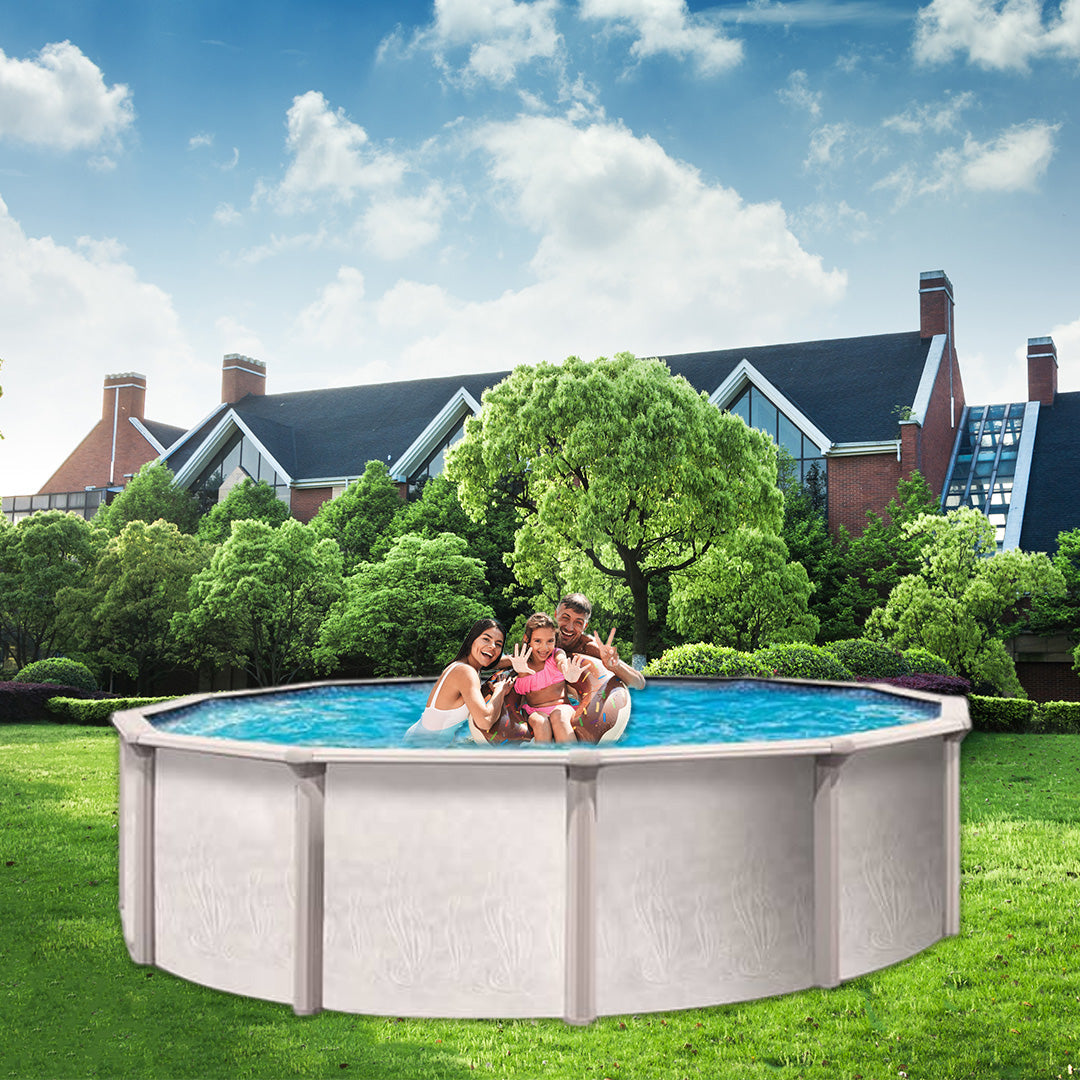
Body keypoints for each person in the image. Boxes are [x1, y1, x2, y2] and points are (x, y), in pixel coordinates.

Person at [553, 593, 645, 743]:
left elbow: (639, 682)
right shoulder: (544, 642)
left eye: (578, 622)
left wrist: (614, 665)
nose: (570, 627)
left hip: (582, 710)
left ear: (585, 626)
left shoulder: (588, 647)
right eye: (565, 617)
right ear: (556, 615)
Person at [403, 618, 512, 745]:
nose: (492, 646)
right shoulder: (466, 672)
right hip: (423, 746)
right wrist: (500, 691)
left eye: (498, 644)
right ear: (472, 641)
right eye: (486, 639)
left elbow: (495, 662)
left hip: (419, 736)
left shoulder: (467, 664)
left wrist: (521, 660)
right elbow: (485, 721)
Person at [509, 612, 585, 743]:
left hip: (562, 707)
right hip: (535, 711)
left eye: (550, 641)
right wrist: (520, 672)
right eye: (538, 641)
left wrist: (568, 673)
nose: (544, 648)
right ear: (527, 639)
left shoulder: (556, 655)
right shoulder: (522, 663)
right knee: (540, 722)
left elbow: (562, 662)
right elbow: (497, 662)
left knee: (558, 716)